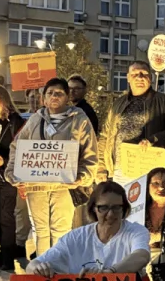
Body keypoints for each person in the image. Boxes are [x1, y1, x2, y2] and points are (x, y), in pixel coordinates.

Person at [26, 182, 160, 281]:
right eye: (104, 208)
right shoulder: (76, 237)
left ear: (124, 209)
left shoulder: (135, 231)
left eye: (116, 208)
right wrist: (39, 268)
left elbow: (142, 255)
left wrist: (109, 273)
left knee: (132, 277)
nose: (110, 214)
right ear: (94, 209)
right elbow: (32, 265)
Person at [7, 78, 99, 257]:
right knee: (40, 230)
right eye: (50, 93)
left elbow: (91, 153)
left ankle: (58, 272)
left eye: (59, 93)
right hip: (37, 185)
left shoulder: (80, 120)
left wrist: (83, 176)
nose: (54, 97)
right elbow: (17, 146)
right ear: (43, 98)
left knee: (61, 229)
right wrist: (12, 172)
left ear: (67, 97)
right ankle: (42, 270)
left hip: (64, 186)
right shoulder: (35, 120)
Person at [102, 61, 165, 182]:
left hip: (149, 171)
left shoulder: (164, 102)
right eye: (135, 74)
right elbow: (105, 135)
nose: (139, 77)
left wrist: (155, 140)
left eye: (144, 74)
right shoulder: (118, 104)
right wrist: (101, 167)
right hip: (120, 170)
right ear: (128, 78)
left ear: (150, 78)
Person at [0, 84, 26, 271]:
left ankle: (8, 257)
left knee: (6, 217)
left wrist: (5, 160)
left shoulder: (14, 121)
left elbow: (23, 148)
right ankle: (4, 252)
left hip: (7, 174)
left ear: (4, 98)